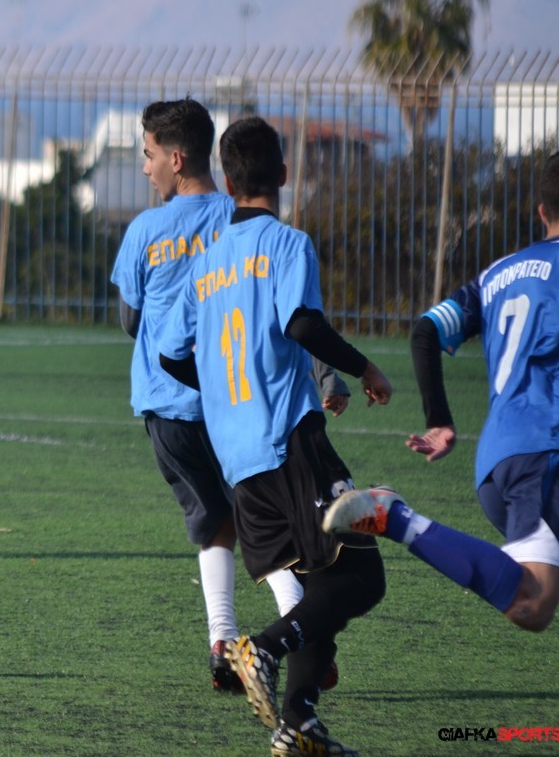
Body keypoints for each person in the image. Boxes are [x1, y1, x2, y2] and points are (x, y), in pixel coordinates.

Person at [158, 115, 391, 756]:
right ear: (284, 174)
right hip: (291, 441)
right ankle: (261, 649)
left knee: (319, 586)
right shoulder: (288, 244)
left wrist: (223, 392)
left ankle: (299, 721)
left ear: (228, 182)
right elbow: (302, 324)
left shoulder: (206, 262)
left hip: (237, 459)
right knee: (364, 578)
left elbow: (172, 355)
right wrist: (364, 368)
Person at [110, 99, 347, 695]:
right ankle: (303, 635)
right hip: (239, 408)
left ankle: (222, 641)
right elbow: (289, 308)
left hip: (167, 406)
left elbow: (130, 321)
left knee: (212, 525)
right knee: (265, 528)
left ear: (175, 158)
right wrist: (329, 373)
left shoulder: (144, 231)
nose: (145, 167)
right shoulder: (238, 220)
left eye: (148, 154)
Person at [325, 147, 559, 631]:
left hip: (496, 464)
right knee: (532, 604)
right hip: (543, 453)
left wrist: (440, 419)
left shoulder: (496, 273)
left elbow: (426, 330)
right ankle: (396, 518)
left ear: (542, 212)